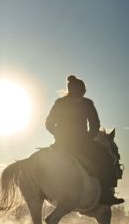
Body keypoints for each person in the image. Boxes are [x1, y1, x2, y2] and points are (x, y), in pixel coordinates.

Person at [45, 75, 123, 205]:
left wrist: (58, 135)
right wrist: (89, 138)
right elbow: (95, 125)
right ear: (81, 91)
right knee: (106, 157)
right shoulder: (87, 103)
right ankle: (106, 194)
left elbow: (48, 124)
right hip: (81, 144)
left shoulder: (60, 103)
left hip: (61, 143)